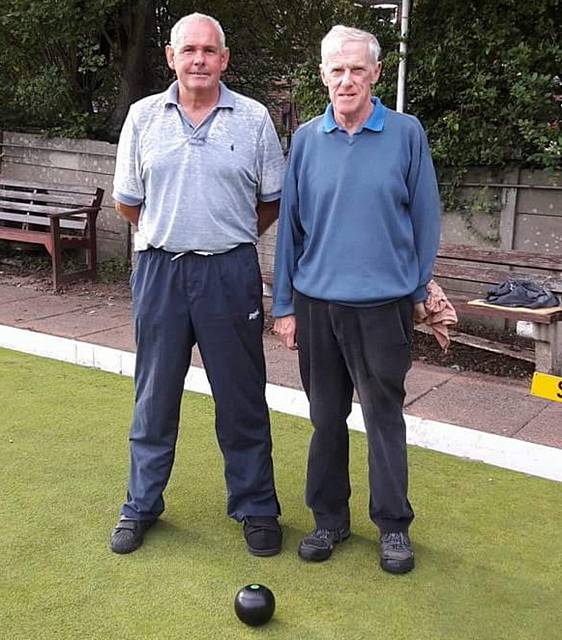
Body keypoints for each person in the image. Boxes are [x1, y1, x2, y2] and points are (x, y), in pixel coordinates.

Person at [110, 13, 285, 556]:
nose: (200, 60)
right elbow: (127, 202)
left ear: (224, 59)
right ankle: (141, 505)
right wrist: (174, 234)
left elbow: (271, 201)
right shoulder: (142, 118)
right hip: (161, 271)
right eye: (189, 50)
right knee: (154, 399)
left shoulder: (254, 119)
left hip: (229, 273)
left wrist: (222, 237)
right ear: (171, 56)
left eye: (210, 51)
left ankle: (256, 507)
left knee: (241, 399)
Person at [272, 25, 440, 574]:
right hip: (318, 306)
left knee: (384, 417)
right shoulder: (304, 140)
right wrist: (285, 306)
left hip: (383, 308)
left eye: (357, 69)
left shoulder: (406, 133)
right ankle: (329, 521)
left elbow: (424, 220)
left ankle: (393, 527)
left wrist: (417, 291)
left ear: (375, 74)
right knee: (326, 418)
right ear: (323, 75)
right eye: (336, 70)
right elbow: (290, 231)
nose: (346, 80)